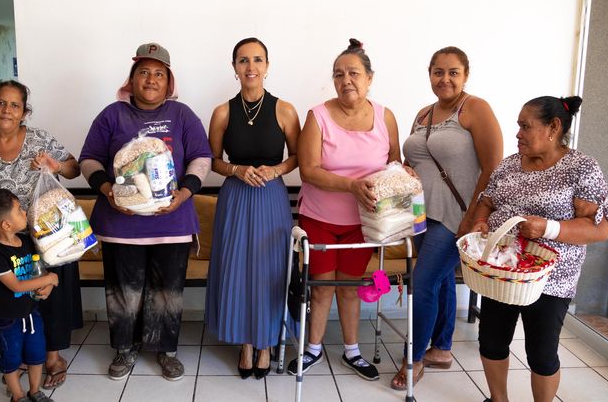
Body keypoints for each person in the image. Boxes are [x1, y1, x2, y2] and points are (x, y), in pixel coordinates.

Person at [79, 42, 212, 381]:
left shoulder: (183, 116)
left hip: (173, 220)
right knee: (124, 289)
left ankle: (166, 350)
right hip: (121, 224)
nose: (151, 79)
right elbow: (89, 158)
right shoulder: (112, 114)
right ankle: (125, 349)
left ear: (169, 81)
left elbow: (201, 157)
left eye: (158, 73)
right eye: (143, 72)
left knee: (168, 289)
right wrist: (107, 189)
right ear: (132, 79)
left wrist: (185, 193)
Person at [472, 96, 608, 402]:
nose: (518, 134)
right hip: (501, 273)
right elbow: (486, 199)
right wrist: (480, 223)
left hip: (551, 280)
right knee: (491, 342)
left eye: (525, 126)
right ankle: (498, 400)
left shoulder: (580, 168)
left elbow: (600, 227)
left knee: (541, 353)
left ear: (553, 127)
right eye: (518, 126)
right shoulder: (509, 164)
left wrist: (548, 228)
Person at [391, 46, 503, 390]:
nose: (445, 79)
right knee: (437, 281)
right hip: (421, 213)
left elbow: (494, 169)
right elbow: (418, 159)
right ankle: (441, 347)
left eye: (453, 72)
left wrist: (474, 217)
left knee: (422, 283)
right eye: (438, 72)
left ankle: (414, 358)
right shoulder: (423, 114)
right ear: (429, 75)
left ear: (465, 75)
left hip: (457, 215)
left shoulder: (476, 109)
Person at [291, 38, 403, 380]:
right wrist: (351, 185)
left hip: (365, 221)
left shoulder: (385, 116)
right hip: (320, 217)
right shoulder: (318, 116)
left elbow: (393, 160)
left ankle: (352, 352)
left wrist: (401, 171)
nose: (346, 80)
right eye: (339, 74)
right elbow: (308, 170)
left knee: (351, 286)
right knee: (322, 286)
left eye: (353, 73)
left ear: (369, 78)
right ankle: (313, 348)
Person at [0, 80, 82, 390]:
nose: (7, 109)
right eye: (1, 103)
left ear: (24, 112)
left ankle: (53, 356)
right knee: (8, 296)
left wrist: (54, 164)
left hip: (46, 235)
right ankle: (14, 355)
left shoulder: (40, 139)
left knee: (49, 296)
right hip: (0, 240)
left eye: (14, 105)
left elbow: (75, 168)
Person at [204, 38, 301, 379]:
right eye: (243, 60)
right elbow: (213, 161)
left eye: (257, 60)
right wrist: (236, 170)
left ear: (267, 66)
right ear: (234, 68)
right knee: (237, 268)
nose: (251, 67)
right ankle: (245, 342)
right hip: (235, 197)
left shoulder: (285, 110)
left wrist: (275, 170)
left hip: (272, 197)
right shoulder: (222, 112)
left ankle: (265, 343)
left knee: (269, 270)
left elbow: (297, 157)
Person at [0, 189, 60, 402]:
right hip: (8, 319)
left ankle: (35, 391)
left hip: (32, 314)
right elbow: (16, 285)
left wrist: (47, 280)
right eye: (19, 210)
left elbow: (37, 268)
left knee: (36, 355)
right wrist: (50, 279)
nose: (25, 212)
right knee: (11, 358)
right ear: (6, 224)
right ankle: (18, 396)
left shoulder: (26, 242)